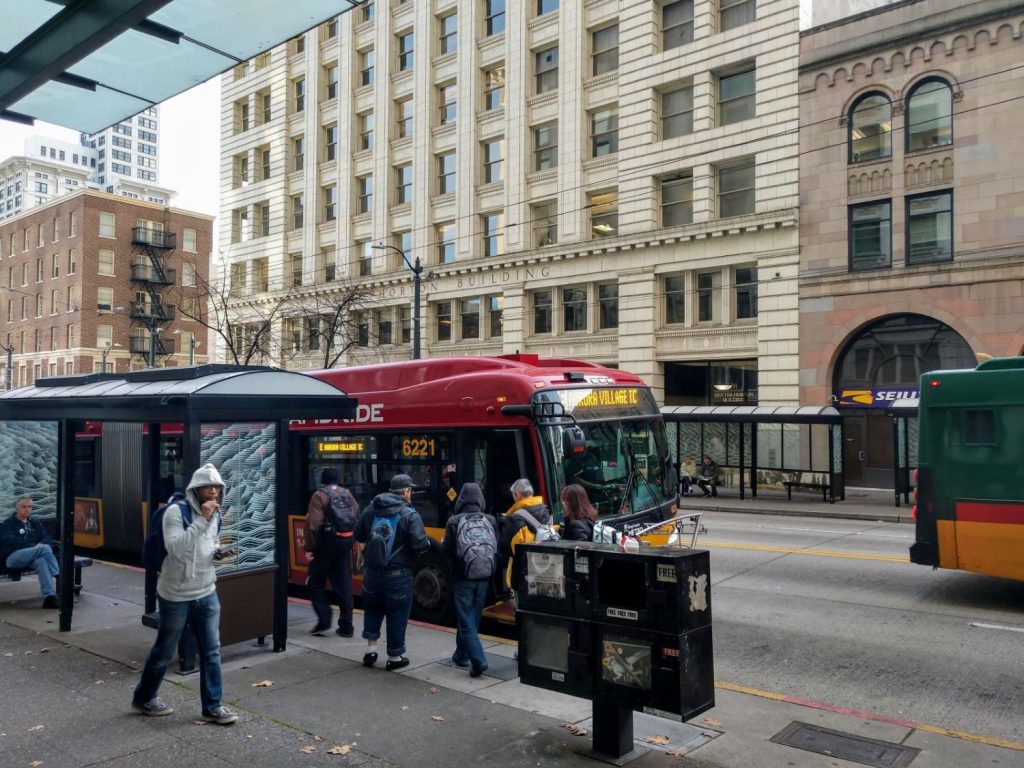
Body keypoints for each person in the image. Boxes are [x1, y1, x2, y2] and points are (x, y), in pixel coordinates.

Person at [131, 463, 237, 725]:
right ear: (196, 489)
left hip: (206, 591)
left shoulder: (216, 516)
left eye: (217, 487)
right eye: (208, 487)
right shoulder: (175, 513)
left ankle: (212, 706)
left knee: (212, 650)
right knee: (165, 651)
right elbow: (177, 549)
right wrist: (202, 519)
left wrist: (218, 553)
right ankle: (144, 697)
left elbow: (208, 544)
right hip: (175, 594)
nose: (213, 491)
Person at [354, 473, 429, 672]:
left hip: (372, 571)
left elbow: (359, 534)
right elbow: (420, 544)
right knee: (397, 614)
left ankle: (371, 650)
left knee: (372, 608)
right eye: (410, 490)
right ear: (405, 491)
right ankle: (395, 657)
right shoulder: (409, 513)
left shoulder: (372, 508)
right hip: (398, 574)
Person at [442, 483, 498, 678]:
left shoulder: (454, 521)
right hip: (484, 576)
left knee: (466, 618)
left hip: (462, 576)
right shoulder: (490, 519)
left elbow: (446, 551)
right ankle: (461, 654)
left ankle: (478, 659)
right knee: (472, 616)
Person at [305, 468, 360, 638]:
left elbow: (313, 524)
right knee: (343, 583)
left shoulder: (319, 495)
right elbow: (357, 512)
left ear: (323, 480)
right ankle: (346, 626)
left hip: (326, 545)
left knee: (315, 581)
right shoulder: (347, 494)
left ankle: (324, 619)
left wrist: (310, 548)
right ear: (338, 480)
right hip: (345, 543)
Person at [1, 497, 60, 608]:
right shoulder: (8, 524)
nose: (27, 509)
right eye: (24, 507)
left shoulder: (34, 522)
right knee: (45, 549)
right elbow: (10, 541)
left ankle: (49, 598)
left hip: (31, 557)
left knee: (41, 561)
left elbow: (46, 537)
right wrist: (34, 547)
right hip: (13, 557)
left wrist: (40, 544)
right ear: (17, 509)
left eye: (29, 507)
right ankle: (58, 576)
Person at [499, 478, 553, 590]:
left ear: (517, 495)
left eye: (513, 495)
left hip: (524, 572)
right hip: (546, 568)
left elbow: (508, 548)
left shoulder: (516, 519)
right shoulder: (546, 511)